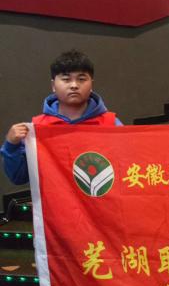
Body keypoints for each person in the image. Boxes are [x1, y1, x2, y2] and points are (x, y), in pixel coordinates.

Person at [3, 50, 123, 185]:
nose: (74, 85)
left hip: (100, 198)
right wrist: (11, 146)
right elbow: (18, 177)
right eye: (66, 79)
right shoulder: (37, 128)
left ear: (91, 85)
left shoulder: (112, 124)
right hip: (54, 199)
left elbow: (127, 169)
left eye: (81, 79)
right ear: (53, 86)